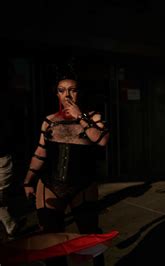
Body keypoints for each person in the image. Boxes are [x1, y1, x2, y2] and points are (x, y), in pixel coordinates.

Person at [22, 65, 109, 265]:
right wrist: (28, 181)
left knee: (90, 237)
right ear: (57, 94)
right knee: (51, 240)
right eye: (62, 91)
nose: (67, 95)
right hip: (50, 185)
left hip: (83, 185)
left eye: (72, 90)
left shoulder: (93, 117)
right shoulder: (50, 121)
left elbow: (102, 140)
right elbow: (40, 153)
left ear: (80, 93)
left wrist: (80, 116)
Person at [0, 58, 23, 239]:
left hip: (3, 156)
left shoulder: (10, 99)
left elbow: (13, 129)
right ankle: (10, 224)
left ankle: (10, 224)